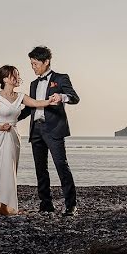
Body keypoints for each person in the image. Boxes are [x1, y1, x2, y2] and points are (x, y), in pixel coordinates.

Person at [0, 65, 58, 216]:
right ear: (5, 79)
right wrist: (0, 126)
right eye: (13, 75)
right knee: (4, 168)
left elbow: (36, 103)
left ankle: (3, 206)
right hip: (0, 136)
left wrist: (50, 101)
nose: (16, 78)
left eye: (17, 75)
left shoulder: (20, 96)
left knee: (10, 170)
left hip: (14, 136)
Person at [17, 46, 81, 216]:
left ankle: (71, 205)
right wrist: (12, 117)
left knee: (61, 166)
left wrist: (62, 97)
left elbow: (75, 98)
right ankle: (46, 204)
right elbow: (29, 108)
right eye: (31, 64)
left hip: (54, 129)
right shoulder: (33, 84)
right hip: (36, 129)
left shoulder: (61, 78)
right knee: (40, 168)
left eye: (35, 64)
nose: (33, 67)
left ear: (46, 62)